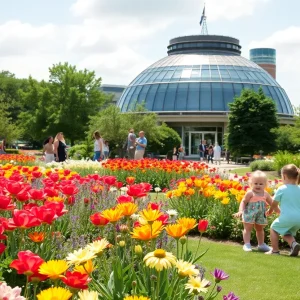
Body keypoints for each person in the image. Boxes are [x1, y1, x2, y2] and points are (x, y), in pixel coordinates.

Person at [233, 171, 273, 252]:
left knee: (260, 229)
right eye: (256, 183)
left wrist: (274, 210)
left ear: (265, 184)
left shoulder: (265, 194)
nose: (258, 185)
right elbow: (243, 202)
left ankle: (261, 244)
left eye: (261, 184)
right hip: (249, 213)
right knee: (248, 229)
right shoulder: (250, 193)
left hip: (260, 215)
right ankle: (247, 244)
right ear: (251, 183)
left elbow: (272, 203)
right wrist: (240, 211)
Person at [265, 164, 300, 256]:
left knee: (273, 228)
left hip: (287, 217)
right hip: (298, 219)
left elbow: (274, 203)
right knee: (286, 232)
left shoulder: (282, 189)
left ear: (284, 176)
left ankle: (275, 251)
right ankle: (293, 244)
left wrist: (270, 210)